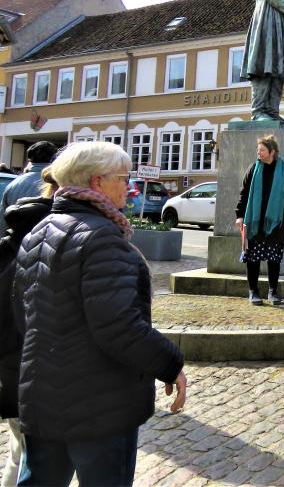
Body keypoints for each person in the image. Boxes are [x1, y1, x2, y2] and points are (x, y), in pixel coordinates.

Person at [14, 141, 186, 486]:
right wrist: (171, 365)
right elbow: (120, 327)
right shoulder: (103, 238)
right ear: (97, 182)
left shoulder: (37, 231)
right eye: (123, 178)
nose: (130, 187)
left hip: (43, 395)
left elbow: (23, 314)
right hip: (100, 407)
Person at [0, 168, 58, 487]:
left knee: (19, 455)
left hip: (12, 368)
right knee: (36, 463)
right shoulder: (56, 242)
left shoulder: (11, 238)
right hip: (40, 375)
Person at [235, 134, 284, 305]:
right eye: (258, 150)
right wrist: (239, 216)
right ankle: (253, 291)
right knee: (252, 258)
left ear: (272, 152)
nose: (259, 153)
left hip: (275, 222)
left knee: (274, 258)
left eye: (262, 150)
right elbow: (244, 194)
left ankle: (273, 292)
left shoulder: (283, 169)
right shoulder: (253, 169)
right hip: (253, 222)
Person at [0, 141, 58, 235]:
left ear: (30, 160)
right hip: (44, 242)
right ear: (55, 159)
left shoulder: (13, 183)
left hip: (15, 242)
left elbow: (2, 221)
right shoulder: (56, 184)